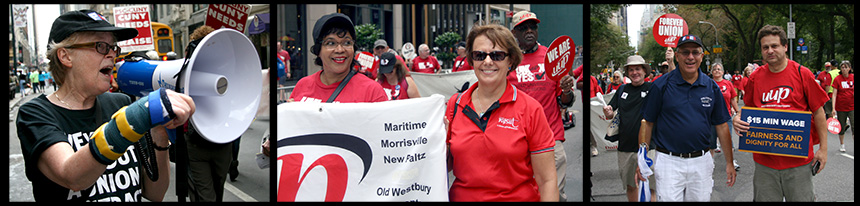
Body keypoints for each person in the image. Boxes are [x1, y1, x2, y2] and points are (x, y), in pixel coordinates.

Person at [16, 10, 195, 202]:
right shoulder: (35, 114)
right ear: (65, 56)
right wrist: (139, 116)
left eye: (113, 47)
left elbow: (155, 193)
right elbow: (72, 176)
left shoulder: (121, 103)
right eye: (101, 46)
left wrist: (159, 133)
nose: (112, 54)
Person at [445, 23, 558, 202]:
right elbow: (444, 167)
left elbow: (547, 180)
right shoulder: (454, 105)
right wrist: (437, 145)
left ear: (510, 61)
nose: (487, 61)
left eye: (497, 55)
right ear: (471, 60)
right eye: (479, 55)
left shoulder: (530, 109)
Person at [732, 25, 829, 202]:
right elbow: (748, 109)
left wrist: (823, 149)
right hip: (765, 163)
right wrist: (737, 118)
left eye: (774, 46)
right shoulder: (755, 77)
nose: (770, 51)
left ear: (785, 46)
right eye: (765, 47)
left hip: (798, 162)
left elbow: (818, 112)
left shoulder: (802, 74)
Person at [637, 34, 736, 202]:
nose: (690, 57)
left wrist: (729, 162)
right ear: (677, 56)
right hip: (669, 162)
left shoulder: (711, 86)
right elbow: (647, 122)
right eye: (685, 52)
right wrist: (642, 159)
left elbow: (722, 126)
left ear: (702, 56)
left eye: (695, 52)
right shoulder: (661, 85)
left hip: (702, 161)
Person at [508, 11, 575, 201]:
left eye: (533, 27)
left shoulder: (552, 58)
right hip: (515, 139)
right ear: (514, 32)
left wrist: (567, 91)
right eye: (523, 28)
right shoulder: (506, 60)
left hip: (551, 138)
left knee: (553, 194)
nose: (529, 31)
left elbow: (563, 102)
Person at [289, 13, 387, 103]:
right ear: (318, 51)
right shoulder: (302, 85)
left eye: (347, 43)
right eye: (331, 43)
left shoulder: (372, 91)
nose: (339, 50)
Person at [602, 55, 656, 202]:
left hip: (649, 147)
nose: (634, 72)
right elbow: (611, 112)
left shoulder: (653, 89)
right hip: (625, 147)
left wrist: (670, 61)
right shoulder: (622, 90)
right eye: (631, 70)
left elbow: (672, 80)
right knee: (631, 186)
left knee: (651, 187)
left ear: (645, 71)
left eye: (638, 69)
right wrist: (608, 111)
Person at [709, 63, 741, 169]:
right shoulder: (708, 84)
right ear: (712, 72)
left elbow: (732, 98)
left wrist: (737, 111)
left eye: (719, 69)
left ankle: (731, 161)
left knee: (728, 141)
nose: (717, 71)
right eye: (714, 69)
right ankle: (710, 162)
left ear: (723, 72)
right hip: (711, 118)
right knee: (711, 142)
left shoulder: (728, 83)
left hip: (725, 117)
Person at [830, 60, 853, 153]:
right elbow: (834, 94)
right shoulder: (838, 79)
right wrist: (833, 108)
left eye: (846, 67)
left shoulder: (853, 77)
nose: (844, 69)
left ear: (849, 68)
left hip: (852, 106)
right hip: (841, 107)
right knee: (842, 126)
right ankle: (842, 144)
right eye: (842, 67)